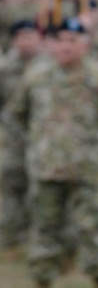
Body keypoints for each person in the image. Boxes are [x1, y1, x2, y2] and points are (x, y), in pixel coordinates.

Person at [5, 17, 98, 288]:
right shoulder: (37, 76)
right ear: (52, 45)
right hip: (46, 168)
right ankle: (43, 279)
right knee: (45, 230)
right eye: (61, 40)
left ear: (85, 45)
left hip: (88, 168)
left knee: (92, 230)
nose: (66, 47)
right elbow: (16, 114)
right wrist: (38, 141)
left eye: (73, 41)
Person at [0, 19, 46, 257]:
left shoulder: (48, 67)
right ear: (14, 41)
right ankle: (10, 240)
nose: (27, 42)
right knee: (12, 190)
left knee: (42, 192)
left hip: (46, 142)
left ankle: (40, 238)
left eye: (31, 37)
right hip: (14, 140)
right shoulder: (5, 69)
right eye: (22, 38)